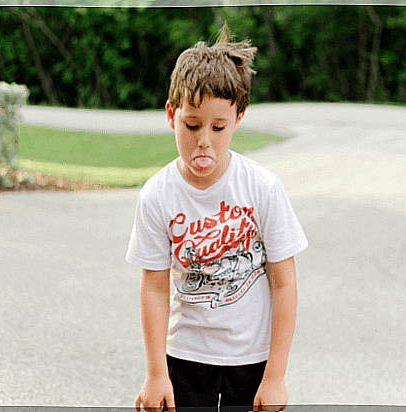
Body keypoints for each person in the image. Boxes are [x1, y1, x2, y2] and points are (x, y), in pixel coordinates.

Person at [126, 25, 308, 412]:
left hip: (252, 358)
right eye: (191, 125)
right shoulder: (158, 195)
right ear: (171, 114)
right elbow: (154, 288)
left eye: (218, 127)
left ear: (238, 118)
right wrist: (156, 373)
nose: (203, 140)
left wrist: (275, 376)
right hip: (187, 356)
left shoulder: (262, 188)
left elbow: (284, 284)